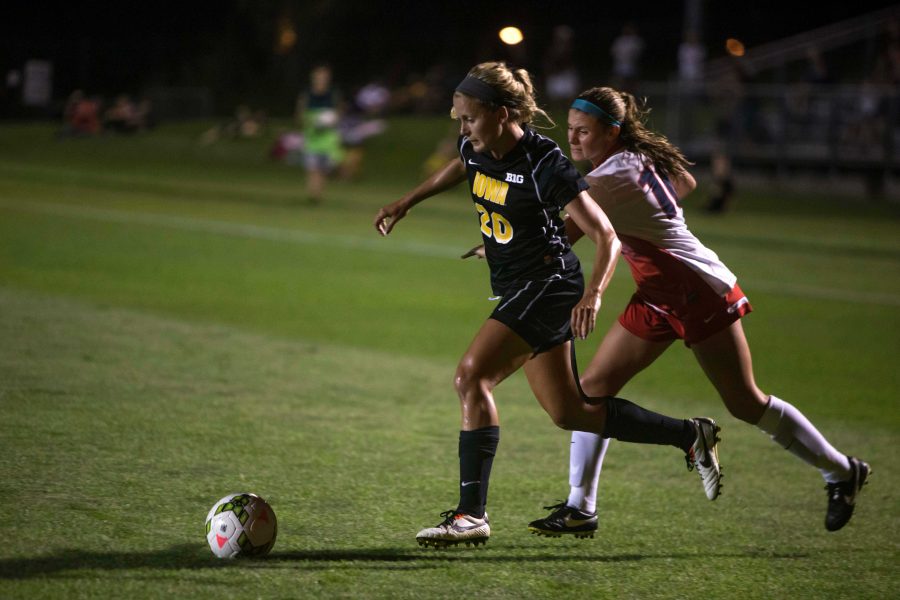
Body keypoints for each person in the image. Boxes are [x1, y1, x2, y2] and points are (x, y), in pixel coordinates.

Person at [373, 62, 725, 549]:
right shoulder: (476, 145)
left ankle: (470, 515)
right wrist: (407, 201)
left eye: (469, 119)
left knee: (471, 376)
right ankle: (690, 435)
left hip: (549, 283)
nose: (462, 129)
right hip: (518, 285)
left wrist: (595, 294)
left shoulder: (544, 161)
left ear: (500, 113)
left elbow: (605, 235)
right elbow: (463, 163)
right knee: (570, 411)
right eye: (458, 120)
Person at [519, 86, 870, 537]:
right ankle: (580, 507)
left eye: (583, 131)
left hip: (697, 290)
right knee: (594, 388)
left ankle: (841, 471)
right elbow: (685, 183)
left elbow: (562, 233)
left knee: (745, 401)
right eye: (569, 130)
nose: (574, 139)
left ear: (612, 132)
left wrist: (507, 242)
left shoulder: (610, 179)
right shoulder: (625, 164)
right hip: (657, 294)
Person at [296, 64, 344, 204]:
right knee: (312, 168)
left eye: (324, 77)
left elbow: (339, 111)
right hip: (312, 136)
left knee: (324, 169)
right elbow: (299, 114)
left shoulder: (333, 94)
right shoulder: (307, 93)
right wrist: (310, 121)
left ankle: (318, 193)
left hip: (328, 138)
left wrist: (332, 119)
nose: (321, 79)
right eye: (319, 76)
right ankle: (314, 196)